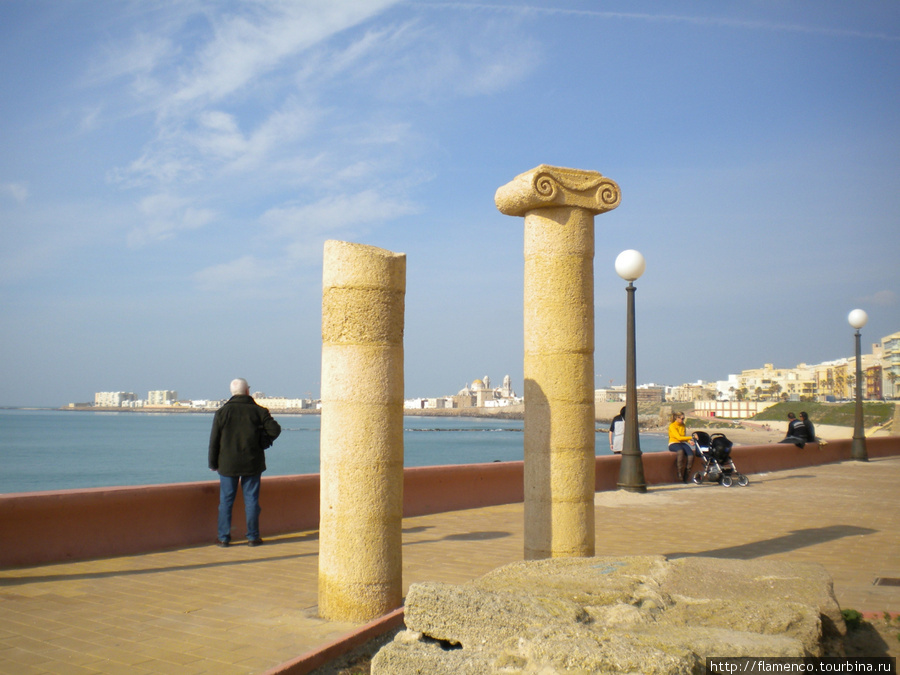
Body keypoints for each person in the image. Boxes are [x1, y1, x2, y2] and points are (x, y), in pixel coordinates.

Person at [208, 378, 281, 547]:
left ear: (232, 392)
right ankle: (253, 537)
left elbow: (214, 441)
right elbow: (275, 429)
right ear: (247, 391)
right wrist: (264, 441)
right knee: (251, 500)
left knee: (226, 501)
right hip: (252, 462)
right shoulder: (259, 411)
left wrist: (213, 463)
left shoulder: (222, 412)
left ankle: (224, 538)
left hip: (227, 464)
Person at [668, 412, 695, 482]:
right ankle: (679, 472)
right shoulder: (672, 426)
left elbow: (683, 437)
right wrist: (692, 437)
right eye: (682, 418)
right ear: (677, 418)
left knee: (691, 455)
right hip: (673, 443)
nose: (683, 420)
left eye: (684, 419)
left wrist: (689, 441)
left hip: (681, 443)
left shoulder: (683, 425)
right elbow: (678, 437)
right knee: (680, 451)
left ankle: (686, 474)